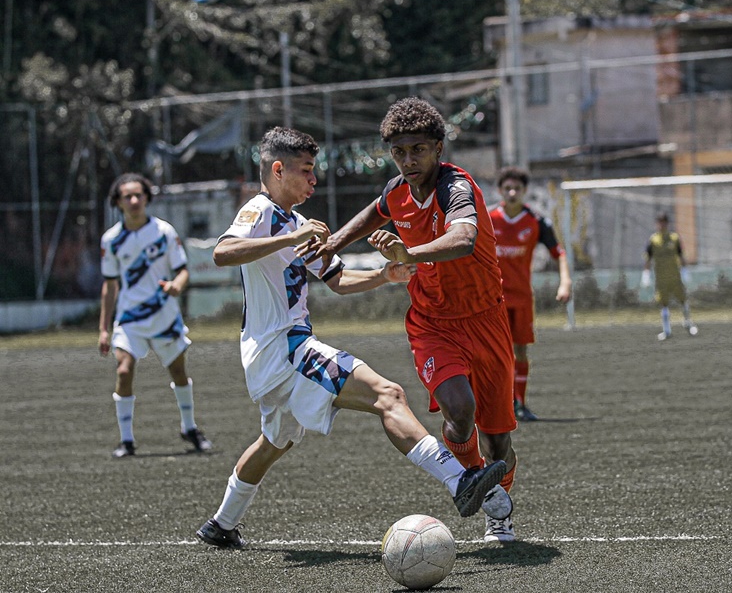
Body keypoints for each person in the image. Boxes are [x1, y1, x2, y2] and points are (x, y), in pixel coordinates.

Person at [195, 127, 506, 549]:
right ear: (278, 169)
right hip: (283, 347)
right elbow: (222, 251)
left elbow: (338, 279)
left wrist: (384, 275)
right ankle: (460, 480)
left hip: (277, 352)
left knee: (275, 441)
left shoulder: (300, 222)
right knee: (388, 395)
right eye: (306, 171)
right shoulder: (261, 210)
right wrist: (289, 239)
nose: (313, 180)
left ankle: (220, 524)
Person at [312, 98, 519, 542]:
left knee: (498, 437)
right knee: (459, 411)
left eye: (418, 150)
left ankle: (498, 505)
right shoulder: (397, 190)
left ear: (438, 148)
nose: (409, 161)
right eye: (400, 152)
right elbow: (374, 213)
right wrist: (335, 243)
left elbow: (463, 238)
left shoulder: (455, 187)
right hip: (432, 322)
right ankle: (476, 487)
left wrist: (410, 254)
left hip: (486, 319)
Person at [99, 173, 212, 458]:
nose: (135, 200)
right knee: (123, 371)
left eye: (139, 195)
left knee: (178, 372)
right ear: (118, 202)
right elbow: (110, 285)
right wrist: (103, 329)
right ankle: (126, 440)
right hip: (129, 318)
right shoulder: (111, 240)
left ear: (147, 198)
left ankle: (189, 427)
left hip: (164, 315)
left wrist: (177, 285)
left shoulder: (164, 232)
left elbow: (183, 269)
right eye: (128, 196)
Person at [489, 166, 571, 422]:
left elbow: (559, 253)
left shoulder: (536, 222)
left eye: (517, 188)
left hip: (522, 297)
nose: (512, 192)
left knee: (520, 351)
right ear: (500, 191)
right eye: (507, 188)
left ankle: (520, 404)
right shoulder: (487, 220)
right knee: (493, 354)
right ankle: (494, 404)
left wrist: (565, 281)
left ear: (525, 191)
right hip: (491, 299)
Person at [641, 212, 698, 341]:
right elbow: (647, 259)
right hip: (661, 279)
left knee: (683, 300)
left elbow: (681, 255)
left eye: (663, 222)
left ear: (667, 223)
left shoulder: (674, 238)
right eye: (659, 222)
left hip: (675, 277)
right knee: (664, 304)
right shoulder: (653, 240)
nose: (661, 225)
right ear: (657, 224)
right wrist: (646, 275)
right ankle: (667, 331)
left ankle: (688, 323)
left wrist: (684, 271)